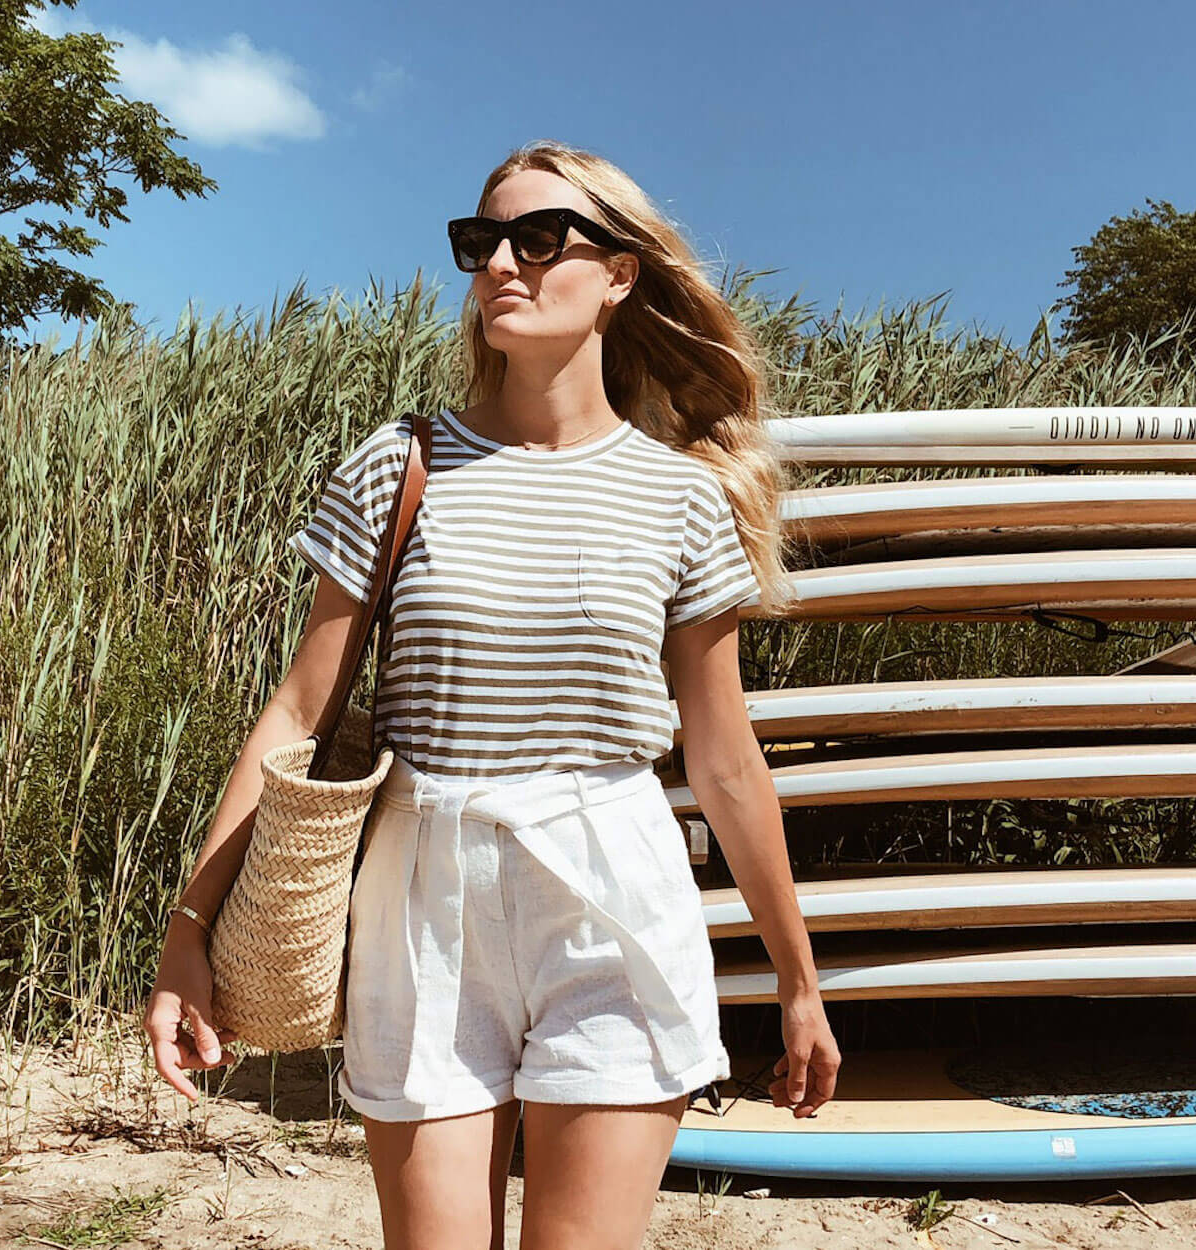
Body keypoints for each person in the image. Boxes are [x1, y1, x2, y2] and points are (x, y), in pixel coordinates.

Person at [144, 139, 840, 1250]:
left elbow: (722, 760)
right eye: (482, 243)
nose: (501, 265)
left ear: (618, 273)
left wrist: (798, 980)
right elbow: (294, 713)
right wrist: (190, 928)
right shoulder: (399, 462)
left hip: (612, 887)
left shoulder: (682, 499)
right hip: (424, 890)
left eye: (538, 238)